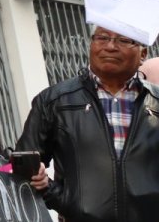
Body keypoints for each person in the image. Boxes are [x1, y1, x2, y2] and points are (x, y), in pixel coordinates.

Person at [16, 26, 159, 222]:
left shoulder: (155, 101)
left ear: (143, 54)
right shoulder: (54, 101)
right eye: (102, 38)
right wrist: (62, 199)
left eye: (123, 40)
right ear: (91, 45)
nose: (110, 46)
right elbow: (25, 163)